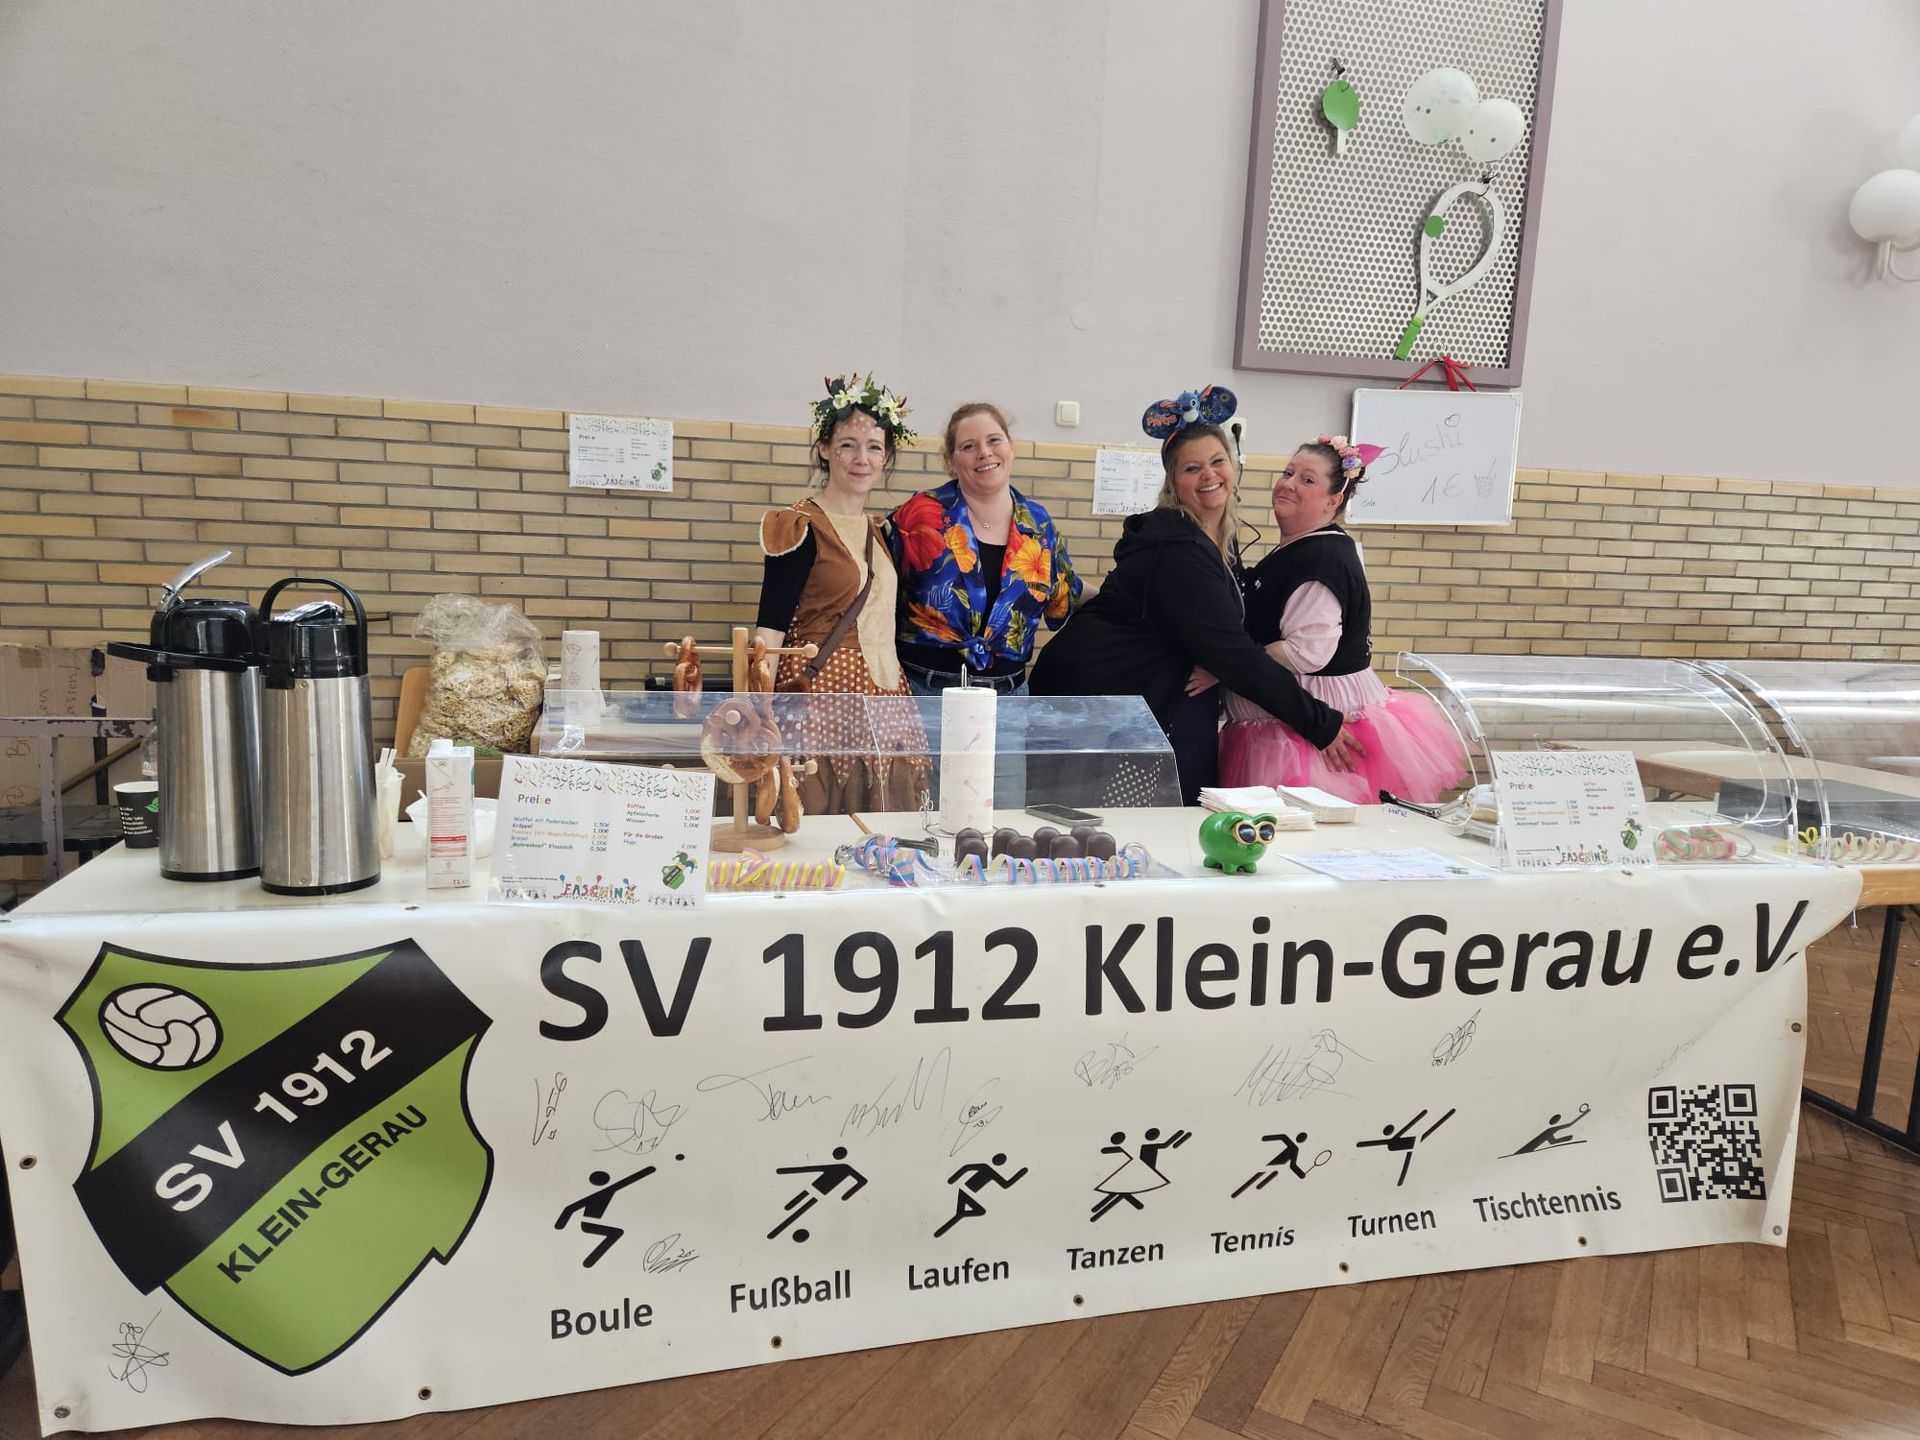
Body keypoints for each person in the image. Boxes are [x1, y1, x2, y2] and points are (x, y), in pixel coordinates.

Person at [1029, 386, 1360, 804]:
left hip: (1146, 700)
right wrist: (1319, 723)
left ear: (1232, 466)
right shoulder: (1178, 549)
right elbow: (1232, 653)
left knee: (1174, 819)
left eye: (1217, 461)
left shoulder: (1215, 537)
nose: (1209, 475)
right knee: (1125, 830)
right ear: (1173, 481)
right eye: (1192, 468)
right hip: (1101, 709)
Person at [1214, 434, 1466, 804]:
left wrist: (1228, 665)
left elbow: (1306, 651)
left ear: (1334, 500)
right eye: (1288, 473)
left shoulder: (1321, 558)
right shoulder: (1302, 549)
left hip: (1306, 737)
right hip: (1285, 725)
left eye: (1307, 479)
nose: (1289, 484)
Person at [755, 373, 928, 813]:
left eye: (874, 447)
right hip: (819, 697)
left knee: (883, 825)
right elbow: (770, 630)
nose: (861, 458)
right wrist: (757, 711)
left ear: (887, 456)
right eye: (848, 444)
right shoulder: (800, 526)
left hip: (886, 696)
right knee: (815, 812)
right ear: (825, 449)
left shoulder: (880, 531)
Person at [888, 403, 1082, 696]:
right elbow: (876, 580)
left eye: (994, 440)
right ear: (951, 460)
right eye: (969, 446)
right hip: (924, 693)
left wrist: (1126, 596)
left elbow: (1065, 593)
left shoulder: (1039, 525)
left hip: (1009, 699)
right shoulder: (920, 514)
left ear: (1011, 448)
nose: (984, 452)